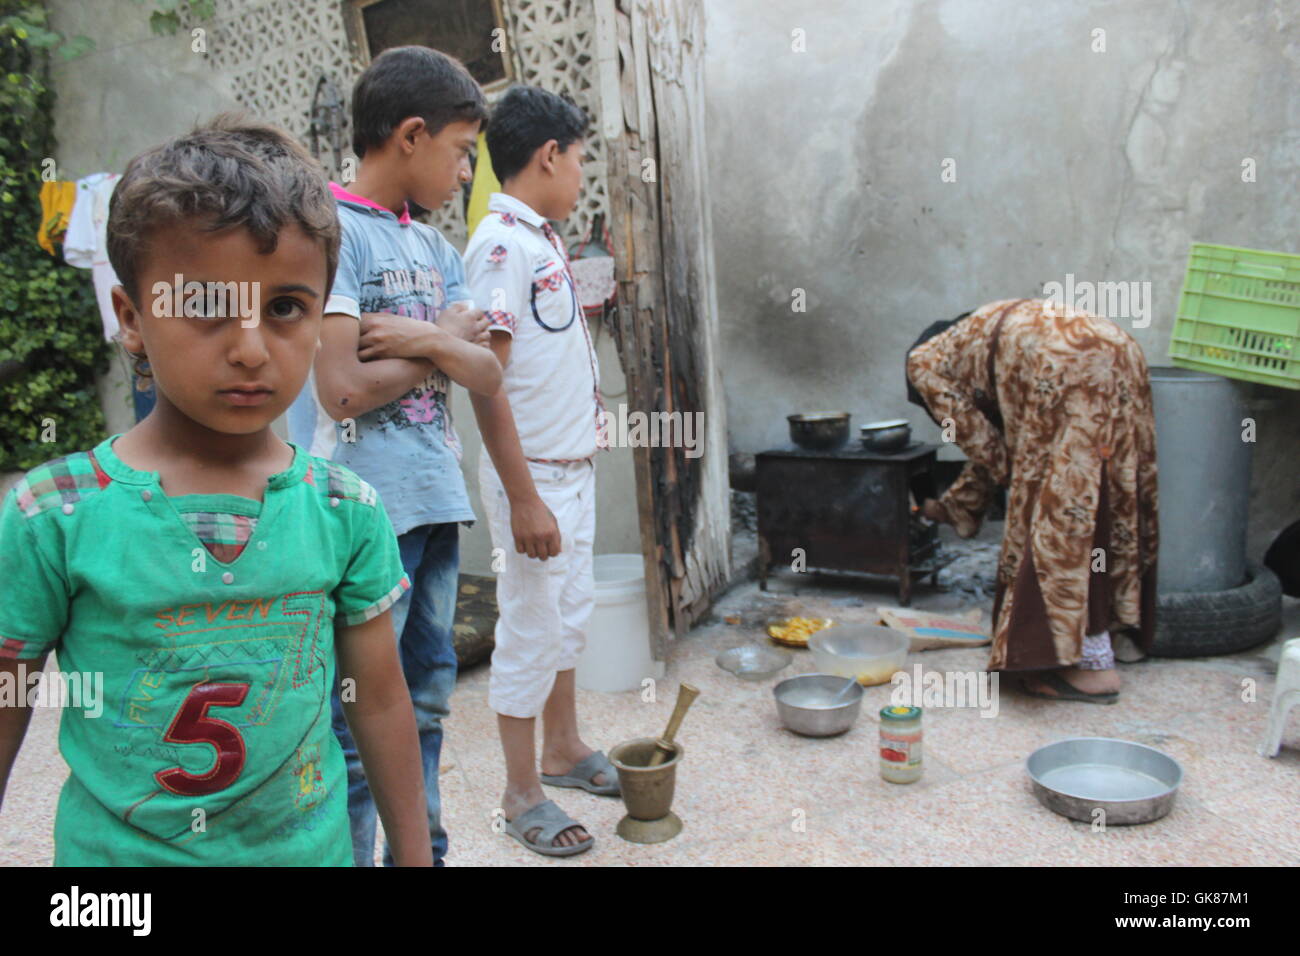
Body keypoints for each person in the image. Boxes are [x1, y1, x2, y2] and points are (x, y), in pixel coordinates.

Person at [0, 115, 431, 865]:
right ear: (131, 319)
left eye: (286, 307)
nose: (250, 349)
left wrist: (416, 857)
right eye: (204, 307)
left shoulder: (344, 510)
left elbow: (383, 702)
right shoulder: (56, 515)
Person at [286, 46, 501, 867]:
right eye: (459, 151)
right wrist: (441, 343)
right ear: (411, 136)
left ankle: (424, 854)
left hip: (436, 501)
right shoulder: (339, 238)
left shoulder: (435, 248)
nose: (463, 172)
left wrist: (417, 339)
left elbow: (484, 370)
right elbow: (341, 388)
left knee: (428, 702)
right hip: (364, 512)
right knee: (359, 721)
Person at [462, 86, 614, 857]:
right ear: (549, 155)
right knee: (529, 629)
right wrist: (523, 499)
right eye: (581, 157)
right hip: (536, 483)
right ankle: (523, 790)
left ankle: (565, 748)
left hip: (570, 471)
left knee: (570, 616)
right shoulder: (501, 247)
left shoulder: (543, 238)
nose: (583, 172)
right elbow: (487, 381)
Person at [905, 297, 1159, 703]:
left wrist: (1014, 487)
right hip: (1121, 349)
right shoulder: (992, 337)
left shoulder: (922, 363)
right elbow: (996, 440)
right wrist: (954, 507)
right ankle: (1120, 626)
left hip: (1064, 363)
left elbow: (986, 445)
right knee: (1110, 483)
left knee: (1063, 509)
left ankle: (1084, 666)